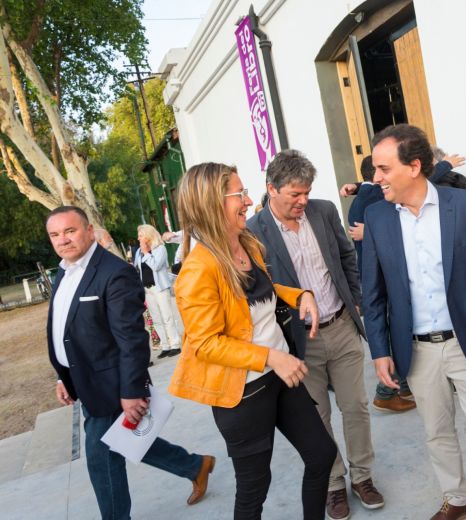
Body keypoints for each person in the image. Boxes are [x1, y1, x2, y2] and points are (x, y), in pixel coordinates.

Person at [362, 124, 466, 520]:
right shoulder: (377, 217)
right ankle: (458, 500)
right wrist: (380, 350)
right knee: (437, 433)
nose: (375, 178)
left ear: (414, 166)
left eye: (383, 169)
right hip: (415, 350)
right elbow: (373, 294)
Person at [168, 162, 337, 519]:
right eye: (239, 193)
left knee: (322, 454)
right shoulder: (197, 269)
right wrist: (273, 358)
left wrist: (298, 294)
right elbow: (205, 343)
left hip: (280, 376)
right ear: (213, 202)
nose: (248, 200)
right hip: (243, 394)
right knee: (254, 488)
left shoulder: (247, 244)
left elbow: (261, 293)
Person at [44, 206, 215, 520]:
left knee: (101, 457)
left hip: (113, 383)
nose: (63, 240)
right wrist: (62, 376)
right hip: (84, 380)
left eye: (70, 231)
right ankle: (195, 465)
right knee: (125, 441)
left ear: (89, 231)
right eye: (55, 234)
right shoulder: (63, 271)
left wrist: (132, 390)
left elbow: (132, 338)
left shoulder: (113, 272)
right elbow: (65, 329)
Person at [246, 150, 384, 520]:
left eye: (307, 192)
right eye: (294, 194)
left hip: (341, 326)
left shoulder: (323, 211)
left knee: (355, 406)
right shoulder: (252, 231)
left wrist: (357, 302)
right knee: (318, 416)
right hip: (299, 343)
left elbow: (346, 258)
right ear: (271, 189)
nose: (303, 201)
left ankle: (363, 477)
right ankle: (334, 485)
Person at [134, 225, 181, 359]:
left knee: (167, 317)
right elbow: (139, 269)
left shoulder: (160, 249)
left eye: (141, 235)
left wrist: (147, 252)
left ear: (148, 235)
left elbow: (156, 266)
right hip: (148, 289)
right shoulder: (139, 252)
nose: (139, 238)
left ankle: (175, 344)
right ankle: (165, 345)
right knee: (156, 319)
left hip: (160, 287)